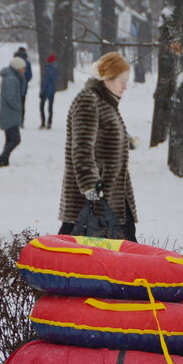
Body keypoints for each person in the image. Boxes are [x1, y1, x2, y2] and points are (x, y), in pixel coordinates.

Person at [57, 52, 138, 240]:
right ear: (107, 79)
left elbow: (104, 132)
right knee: (74, 249)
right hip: (94, 194)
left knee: (122, 246)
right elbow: (82, 148)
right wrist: (90, 186)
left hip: (113, 193)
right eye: (122, 81)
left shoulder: (106, 102)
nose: (125, 87)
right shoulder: (88, 101)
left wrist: (127, 141)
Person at [0, 55, 26, 168]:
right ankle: (2, 159)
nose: (24, 70)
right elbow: (10, 97)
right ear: (17, 68)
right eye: (22, 68)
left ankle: (4, 160)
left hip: (8, 113)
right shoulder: (11, 79)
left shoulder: (11, 77)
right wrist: (18, 107)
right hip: (10, 114)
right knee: (16, 139)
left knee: (10, 139)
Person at [39, 53, 59, 130]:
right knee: (50, 107)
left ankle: (43, 122)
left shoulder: (47, 69)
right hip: (52, 90)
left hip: (46, 90)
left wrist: (42, 91)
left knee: (42, 106)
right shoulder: (55, 70)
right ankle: (49, 123)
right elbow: (56, 78)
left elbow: (45, 81)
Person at [15, 47, 32, 129]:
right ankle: (21, 121)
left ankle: (15, 120)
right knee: (22, 104)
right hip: (24, 87)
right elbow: (30, 75)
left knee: (15, 103)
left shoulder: (14, 62)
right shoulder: (27, 63)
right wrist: (25, 80)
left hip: (14, 86)